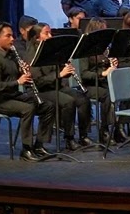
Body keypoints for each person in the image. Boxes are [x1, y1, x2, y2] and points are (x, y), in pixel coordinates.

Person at [0, 22, 57, 161]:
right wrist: (18, 81)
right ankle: (26, 149)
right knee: (28, 108)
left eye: (12, 35)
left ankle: (39, 145)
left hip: (13, 95)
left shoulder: (11, 55)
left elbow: (13, 75)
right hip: (0, 100)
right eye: (8, 36)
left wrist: (22, 71)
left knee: (48, 106)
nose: (13, 39)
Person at [26, 22, 89, 152]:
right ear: (37, 38)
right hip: (40, 91)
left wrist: (65, 71)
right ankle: (69, 138)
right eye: (46, 33)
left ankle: (83, 135)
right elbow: (38, 82)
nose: (50, 36)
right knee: (68, 102)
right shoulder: (32, 55)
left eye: (50, 33)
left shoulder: (50, 50)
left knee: (82, 98)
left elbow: (59, 73)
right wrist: (60, 74)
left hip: (54, 86)